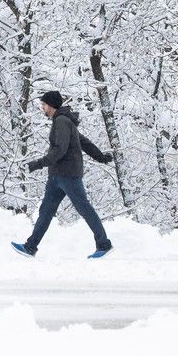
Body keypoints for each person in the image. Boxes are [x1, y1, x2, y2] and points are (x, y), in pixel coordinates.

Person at [11, 90, 115, 259]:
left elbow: (60, 150)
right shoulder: (64, 121)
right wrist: (101, 157)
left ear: (51, 106)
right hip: (56, 176)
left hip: (68, 175)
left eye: (43, 105)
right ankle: (30, 247)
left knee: (84, 208)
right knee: (45, 211)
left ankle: (104, 244)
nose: (42, 108)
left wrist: (36, 164)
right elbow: (83, 142)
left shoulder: (61, 121)